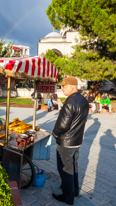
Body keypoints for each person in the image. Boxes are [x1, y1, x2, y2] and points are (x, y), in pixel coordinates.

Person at [51, 76, 89, 205]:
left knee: (65, 169)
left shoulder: (70, 102)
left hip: (66, 142)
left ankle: (68, 197)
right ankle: (74, 190)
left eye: (64, 86)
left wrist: (54, 134)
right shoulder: (82, 99)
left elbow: (62, 125)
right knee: (73, 166)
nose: (62, 88)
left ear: (72, 87)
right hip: (76, 140)